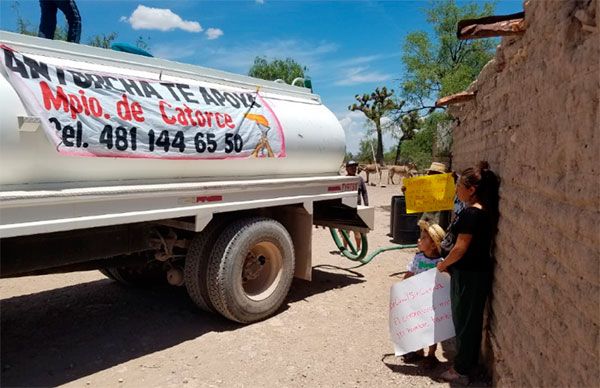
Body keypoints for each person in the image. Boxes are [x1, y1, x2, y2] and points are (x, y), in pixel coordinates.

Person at [436, 161, 500, 384]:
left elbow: (460, 248)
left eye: (459, 186)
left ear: (471, 190)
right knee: (468, 320)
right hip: (475, 273)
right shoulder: (482, 210)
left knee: (465, 321)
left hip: (469, 275)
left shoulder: (473, 214)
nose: (456, 190)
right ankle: (466, 363)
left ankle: (462, 369)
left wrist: (444, 264)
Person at [402, 220, 446, 368]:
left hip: (432, 301)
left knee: (433, 328)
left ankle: (431, 354)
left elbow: (445, 280)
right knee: (417, 324)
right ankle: (418, 351)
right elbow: (410, 273)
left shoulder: (440, 263)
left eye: (424, 238)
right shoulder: (418, 258)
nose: (419, 240)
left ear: (434, 245)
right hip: (417, 300)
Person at [344, 160, 368, 250]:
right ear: (347, 168)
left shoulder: (360, 179)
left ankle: (358, 248)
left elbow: (364, 193)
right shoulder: (343, 180)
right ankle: (345, 249)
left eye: (355, 167)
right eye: (351, 167)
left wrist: (366, 206)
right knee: (345, 231)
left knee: (357, 231)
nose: (354, 168)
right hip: (346, 209)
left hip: (358, 208)